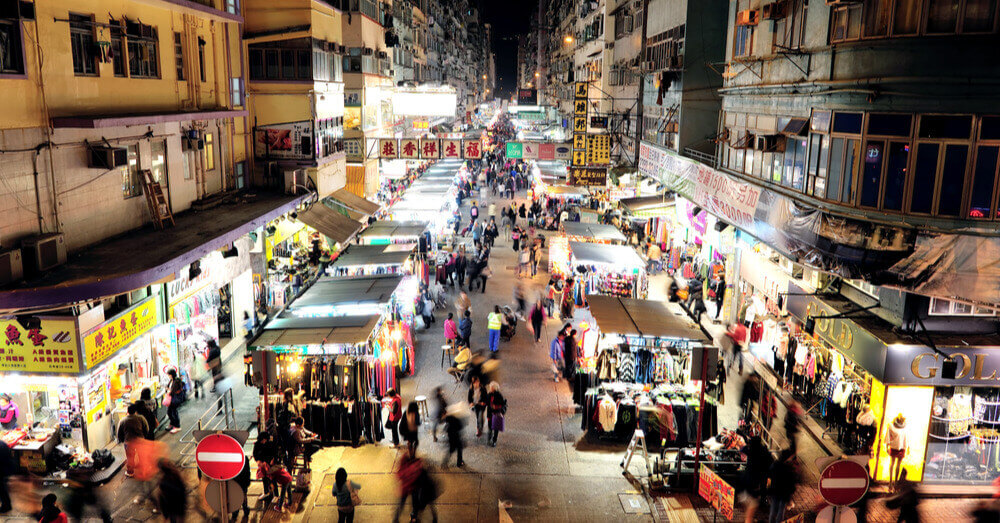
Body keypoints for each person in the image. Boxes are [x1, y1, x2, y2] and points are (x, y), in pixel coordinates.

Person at [738, 435, 772, 523]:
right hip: (755, 484)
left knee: (748, 505)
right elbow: (770, 461)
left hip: (745, 483)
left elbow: (742, 449)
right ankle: (748, 519)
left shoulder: (751, 450)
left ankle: (749, 518)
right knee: (751, 508)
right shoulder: (763, 451)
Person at [765, 449, 799, 523]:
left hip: (775, 490)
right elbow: (791, 481)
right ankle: (778, 521)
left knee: (773, 507)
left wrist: (768, 488)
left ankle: (771, 521)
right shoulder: (789, 468)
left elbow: (769, 477)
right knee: (781, 508)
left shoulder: (775, 465)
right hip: (784, 492)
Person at [117, 404, 149, 477]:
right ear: (135, 411)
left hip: (129, 442)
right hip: (140, 441)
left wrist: (122, 440)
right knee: (142, 456)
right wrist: (143, 437)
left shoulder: (123, 420)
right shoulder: (141, 418)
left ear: (127, 411)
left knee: (130, 458)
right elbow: (146, 429)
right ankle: (144, 471)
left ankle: (130, 472)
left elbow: (119, 433)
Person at [253, 432, 279, 503]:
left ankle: (276, 495)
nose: (263, 441)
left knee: (273, 479)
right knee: (264, 478)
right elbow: (255, 454)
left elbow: (275, 454)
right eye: (262, 440)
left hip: (270, 464)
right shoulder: (257, 444)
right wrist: (258, 461)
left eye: (264, 440)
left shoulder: (271, 444)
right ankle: (266, 492)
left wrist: (272, 460)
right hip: (262, 464)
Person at [486, 382, 506, 447]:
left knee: (496, 428)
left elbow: (503, 404)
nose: (490, 388)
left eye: (491, 387)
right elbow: (487, 402)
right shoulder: (489, 394)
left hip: (496, 413)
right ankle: (489, 436)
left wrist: (496, 406)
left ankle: (494, 440)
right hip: (490, 413)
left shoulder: (499, 395)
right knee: (490, 426)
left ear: (494, 388)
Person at [165, 368, 184, 433]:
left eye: (169, 375)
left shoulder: (176, 381)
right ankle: (172, 424)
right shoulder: (171, 380)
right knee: (170, 412)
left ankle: (177, 426)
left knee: (173, 412)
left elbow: (173, 391)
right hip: (172, 399)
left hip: (176, 399)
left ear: (172, 374)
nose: (168, 376)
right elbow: (169, 387)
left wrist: (169, 391)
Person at [0, 440, 11, 513]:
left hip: (2, 467)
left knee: (1, 488)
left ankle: (6, 506)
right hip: (5, 467)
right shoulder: (2, 444)